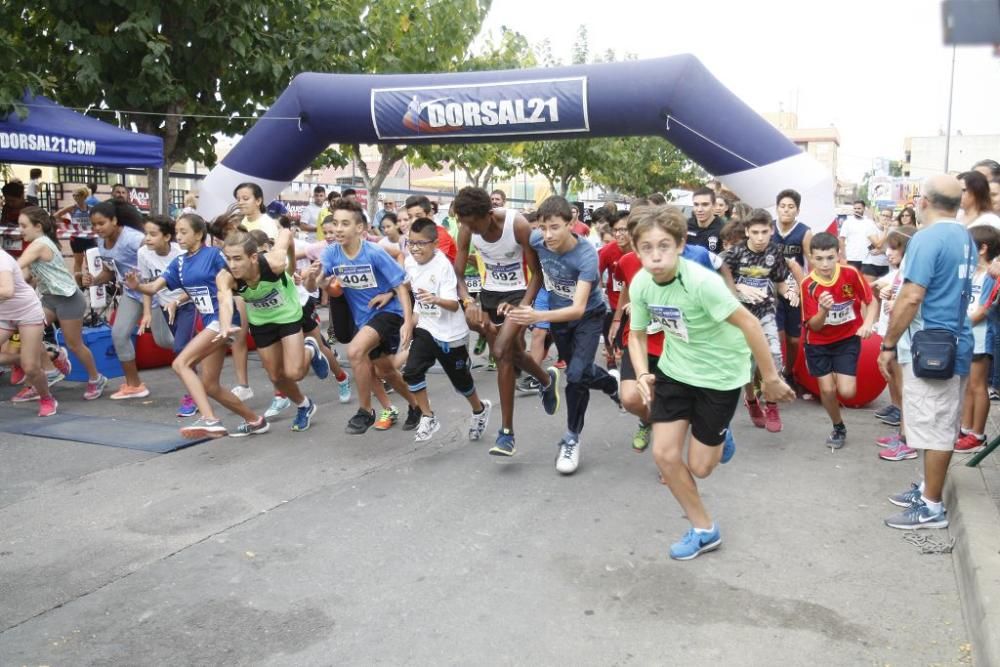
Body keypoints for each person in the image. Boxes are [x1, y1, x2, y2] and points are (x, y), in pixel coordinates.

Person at [627, 205, 794, 560]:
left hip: (719, 375)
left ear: (680, 245)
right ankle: (704, 529)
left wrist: (771, 379)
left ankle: (719, 434)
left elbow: (750, 324)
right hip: (675, 370)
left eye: (664, 247)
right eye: (647, 248)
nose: (656, 257)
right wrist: (642, 372)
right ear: (636, 248)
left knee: (701, 467)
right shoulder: (641, 283)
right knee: (664, 454)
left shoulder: (701, 283)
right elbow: (637, 334)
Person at [877, 174, 975, 530]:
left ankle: (932, 507)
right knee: (933, 423)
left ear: (923, 202)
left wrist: (887, 344)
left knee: (935, 428)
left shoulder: (928, 238)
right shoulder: (962, 235)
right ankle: (926, 489)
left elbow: (912, 295)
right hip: (953, 342)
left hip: (933, 348)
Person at [125, 214, 268, 438]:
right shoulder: (180, 263)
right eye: (177, 232)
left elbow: (232, 280)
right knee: (210, 385)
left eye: (184, 232)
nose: (179, 237)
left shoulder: (213, 255)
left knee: (181, 363)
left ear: (199, 234)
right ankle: (255, 420)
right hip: (211, 325)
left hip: (223, 320)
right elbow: (153, 288)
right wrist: (137, 286)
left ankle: (210, 419)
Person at [508, 195, 620, 475]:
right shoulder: (536, 241)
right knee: (578, 372)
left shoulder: (586, 256)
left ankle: (571, 437)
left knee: (575, 376)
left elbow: (578, 307)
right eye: (543, 228)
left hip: (587, 317)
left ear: (571, 222)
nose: (548, 235)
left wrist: (537, 316)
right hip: (559, 318)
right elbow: (533, 270)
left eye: (555, 227)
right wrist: (521, 304)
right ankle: (611, 385)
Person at [452, 187, 558, 457]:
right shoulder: (466, 229)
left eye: (473, 223)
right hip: (489, 295)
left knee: (501, 352)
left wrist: (523, 308)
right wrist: (468, 302)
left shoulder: (517, 224)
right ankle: (546, 379)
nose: (469, 229)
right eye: (465, 224)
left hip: (519, 294)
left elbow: (537, 275)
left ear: (488, 214)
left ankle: (506, 434)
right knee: (512, 353)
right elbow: (459, 277)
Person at [610, 205, 721, 452]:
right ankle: (649, 421)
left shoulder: (691, 258)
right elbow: (627, 287)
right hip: (639, 338)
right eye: (640, 238)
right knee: (629, 398)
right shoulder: (627, 261)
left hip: (674, 342)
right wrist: (619, 317)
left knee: (672, 402)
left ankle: (670, 450)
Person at [309, 199, 421, 434]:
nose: (338, 229)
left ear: (359, 228)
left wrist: (408, 322)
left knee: (355, 352)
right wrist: (314, 278)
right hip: (363, 318)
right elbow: (315, 284)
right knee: (385, 370)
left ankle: (366, 411)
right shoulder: (331, 253)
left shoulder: (373, 252)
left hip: (388, 313)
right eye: (336, 223)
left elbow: (403, 286)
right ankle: (415, 405)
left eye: (345, 224)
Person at [219, 228, 330, 432]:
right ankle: (305, 405)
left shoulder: (274, 263)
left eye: (237, 258)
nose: (232, 265)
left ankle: (310, 349)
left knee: (294, 373)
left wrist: (291, 266)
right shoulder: (226, 277)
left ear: (253, 257)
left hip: (287, 313)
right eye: (228, 259)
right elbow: (225, 301)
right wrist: (225, 325)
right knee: (276, 376)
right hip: (261, 322)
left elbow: (286, 234)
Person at [401, 217, 492, 442]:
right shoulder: (409, 263)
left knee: (462, 384)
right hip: (426, 328)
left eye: (420, 243)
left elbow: (453, 304)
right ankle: (428, 416)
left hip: (451, 334)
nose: (415, 248)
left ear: (434, 243)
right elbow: (409, 291)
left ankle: (479, 410)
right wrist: (409, 323)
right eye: (411, 243)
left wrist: (435, 299)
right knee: (411, 371)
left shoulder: (443, 266)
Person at [15, 207, 106, 400]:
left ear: (37, 226)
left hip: (69, 299)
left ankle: (96, 378)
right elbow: (24, 276)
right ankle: (50, 369)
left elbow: (16, 268)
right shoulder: (35, 244)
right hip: (50, 299)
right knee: (29, 334)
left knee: (75, 344)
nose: (20, 230)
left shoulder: (39, 244)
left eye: (23, 226)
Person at [83, 200, 169, 400]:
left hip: (152, 293)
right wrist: (93, 281)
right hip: (132, 294)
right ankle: (135, 385)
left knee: (164, 340)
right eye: (94, 225)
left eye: (101, 223)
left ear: (114, 220)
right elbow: (109, 271)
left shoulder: (133, 239)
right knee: (119, 334)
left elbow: (157, 257)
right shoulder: (101, 243)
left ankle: (200, 347)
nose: (97, 228)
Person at [720, 209, 796, 433]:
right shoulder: (734, 254)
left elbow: (781, 281)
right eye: (755, 232)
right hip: (740, 316)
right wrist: (738, 287)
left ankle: (771, 404)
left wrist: (789, 292)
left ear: (772, 231)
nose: (760, 237)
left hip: (765, 313)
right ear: (747, 232)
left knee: (773, 359)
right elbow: (715, 278)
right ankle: (751, 400)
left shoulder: (775, 252)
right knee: (746, 365)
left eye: (765, 232)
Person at [800, 232, 877, 449]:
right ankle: (838, 426)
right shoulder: (808, 284)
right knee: (827, 390)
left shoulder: (851, 273)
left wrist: (867, 324)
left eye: (830, 258)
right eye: (819, 259)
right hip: (818, 342)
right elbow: (813, 325)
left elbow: (871, 302)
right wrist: (824, 310)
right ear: (811, 258)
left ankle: (837, 373)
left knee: (847, 392)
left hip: (846, 338)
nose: (825, 264)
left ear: (838, 255)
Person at [137, 215, 195, 416]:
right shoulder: (143, 253)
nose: (148, 238)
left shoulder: (181, 254)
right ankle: (196, 385)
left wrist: (178, 300)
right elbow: (147, 285)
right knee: (183, 349)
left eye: (153, 234)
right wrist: (146, 313)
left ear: (167, 236)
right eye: (146, 234)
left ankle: (192, 395)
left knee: (180, 349)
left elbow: (193, 285)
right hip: (164, 306)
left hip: (187, 304)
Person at [872, 226, 918, 461]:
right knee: (901, 387)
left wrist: (895, 303)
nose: (889, 252)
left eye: (894, 247)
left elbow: (912, 300)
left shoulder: (913, 267)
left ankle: (907, 441)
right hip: (900, 337)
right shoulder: (902, 269)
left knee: (907, 390)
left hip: (908, 338)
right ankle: (902, 433)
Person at [955, 225, 1000, 452]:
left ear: (983, 248)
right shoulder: (971, 271)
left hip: (981, 335)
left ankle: (978, 435)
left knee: (978, 385)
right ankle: (965, 428)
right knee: (968, 385)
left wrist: (961, 324)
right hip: (967, 334)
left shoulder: (992, 275)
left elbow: (985, 308)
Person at [0, 248, 57, 416]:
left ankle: (47, 398)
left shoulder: (2, 259)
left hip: (27, 313)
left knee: (31, 367)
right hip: (3, 315)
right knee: (24, 360)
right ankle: (46, 356)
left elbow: (7, 291)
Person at [772, 189, 811, 387]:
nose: (786, 210)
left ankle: (788, 371)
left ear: (797, 210)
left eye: (791, 207)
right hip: (772, 290)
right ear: (777, 208)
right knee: (776, 335)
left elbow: (811, 264)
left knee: (793, 340)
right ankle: (773, 375)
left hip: (795, 291)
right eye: (782, 206)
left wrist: (804, 289)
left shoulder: (804, 232)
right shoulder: (768, 229)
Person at [598, 210, 632, 369]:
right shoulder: (608, 251)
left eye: (623, 229)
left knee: (629, 343)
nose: (619, 234)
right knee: (611, 334)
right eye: (616, 230)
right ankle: (611, 356)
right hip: (614, 302)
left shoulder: (642, 250)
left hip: (637, 306)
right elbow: (593, 273)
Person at [55, 186, 96, 286]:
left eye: (77, 195)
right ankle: (79, 285)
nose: (74, 197)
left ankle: (91, 283)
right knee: (78, 262)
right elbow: (56, 215)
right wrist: (66, 223)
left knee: (90, 262)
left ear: (83, 196)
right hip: (76, 239)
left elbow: (97, 220)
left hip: (89, 238)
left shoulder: (91, 208)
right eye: (73, 195)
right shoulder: (72, 208)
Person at [404, 195, 457, 262]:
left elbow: (434, 264)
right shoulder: (412, 235)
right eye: (410, 217)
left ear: (429, 215)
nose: (413, 221)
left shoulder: (440, 235)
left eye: (418, 216)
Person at [839, 200, 879, 271]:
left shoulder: (869, 222)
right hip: (852, 258)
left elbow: (875, 240)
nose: (856, 210)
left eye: (859, 208)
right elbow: (841, 240)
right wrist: (844, 255)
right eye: (855, 208)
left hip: (867, 259)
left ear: (864, 209)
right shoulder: (847, 222)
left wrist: (871, 249)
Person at [686, 187, 725, 253]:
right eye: (696, 204)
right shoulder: (685, 225)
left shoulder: (723, 229)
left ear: (714, 206)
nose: (699, 209)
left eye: (705, 204)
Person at [861, 208, 893, 282]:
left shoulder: (892, 230)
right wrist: (885, 231)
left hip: (885, 264)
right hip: (871, 264)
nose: (885, 218)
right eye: (883, 215)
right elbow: (878, 244)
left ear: (891, 218)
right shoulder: (872, 228)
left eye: (888, 216)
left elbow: (893, 248)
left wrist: (882, 251)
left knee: (881, 291)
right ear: (879, 216)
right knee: (870, 290)